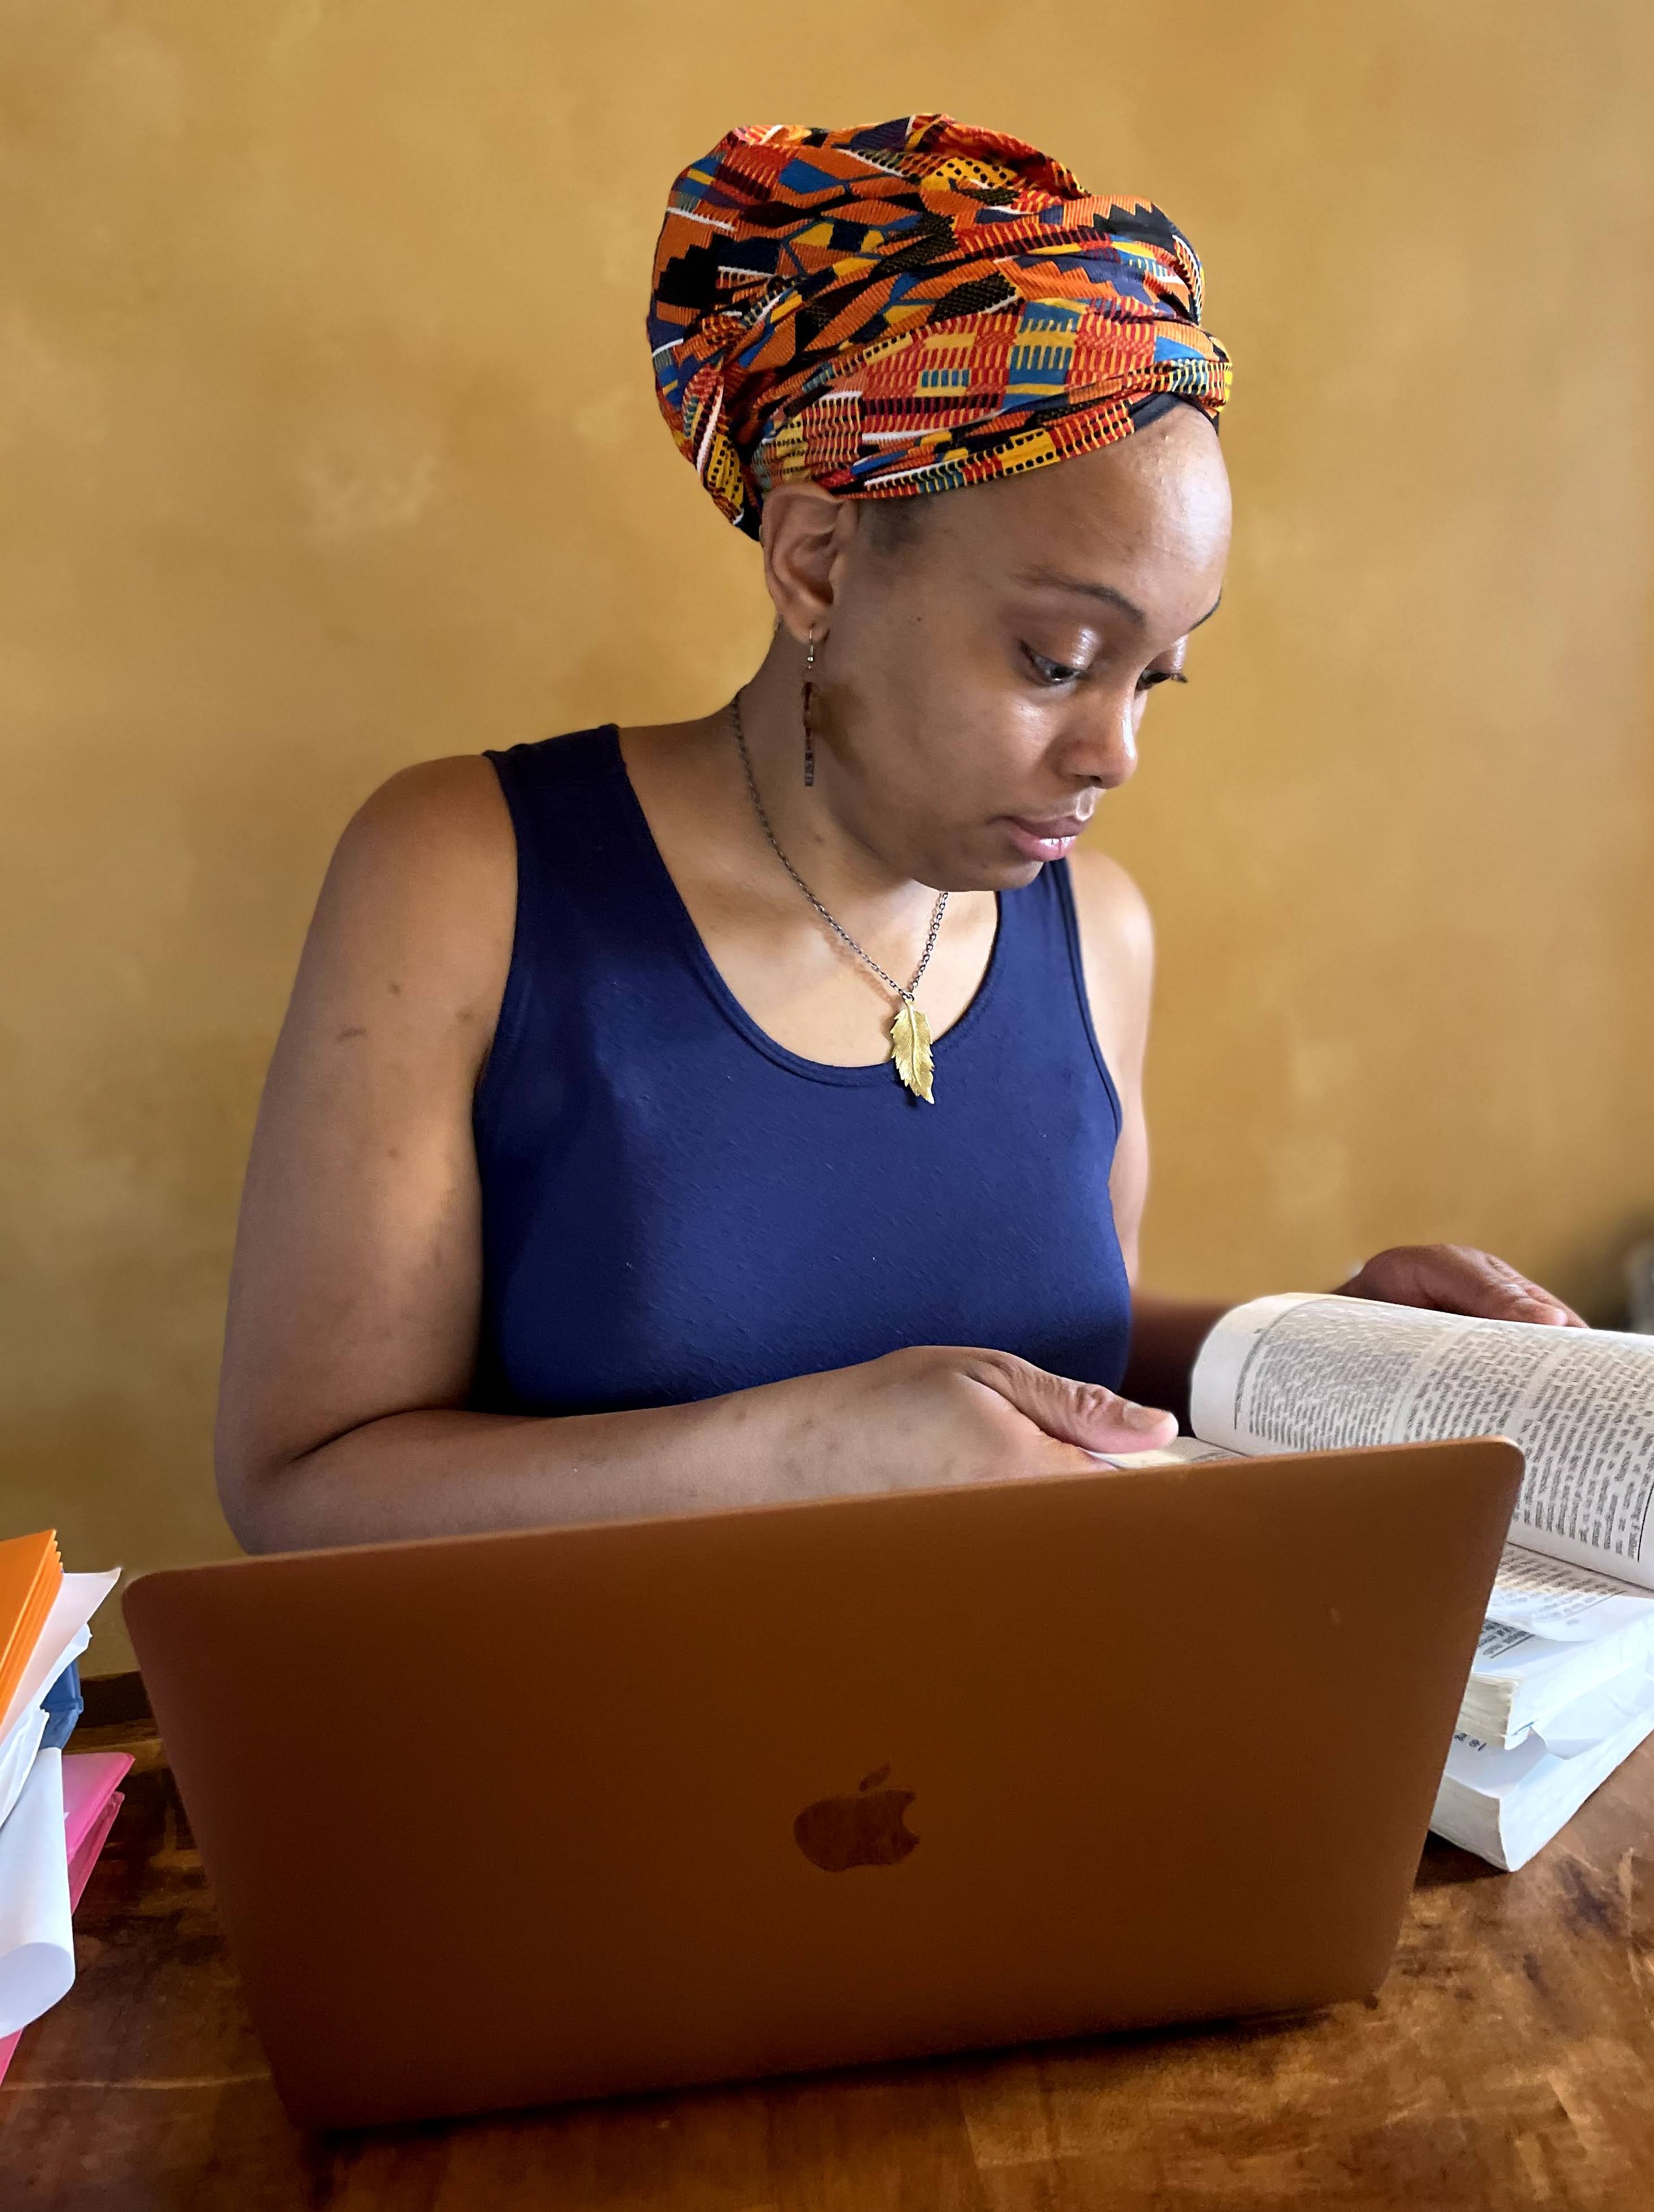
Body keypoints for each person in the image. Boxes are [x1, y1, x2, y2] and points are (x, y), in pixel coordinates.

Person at [216, 113, 1582, 1555]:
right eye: (1055, 659)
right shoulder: (467, 873)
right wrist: (801, 1445)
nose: (1111, 752)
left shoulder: (1094, 929)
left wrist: (1331, 1359)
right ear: (815, 559)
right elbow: (304, 1489)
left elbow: (1061, 1363)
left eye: (1153, 678)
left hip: (1016, 1741)